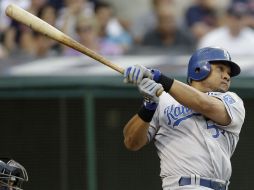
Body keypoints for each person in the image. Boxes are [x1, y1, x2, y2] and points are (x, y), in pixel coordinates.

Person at [123, 47, 245, 190]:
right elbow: (131, 142)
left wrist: (159, 78)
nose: (227, 76)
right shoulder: (162, 99)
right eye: (220, 69)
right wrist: (148, 106)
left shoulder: (232, 101)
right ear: (199, 68)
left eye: (229, 73)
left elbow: (204, 104)